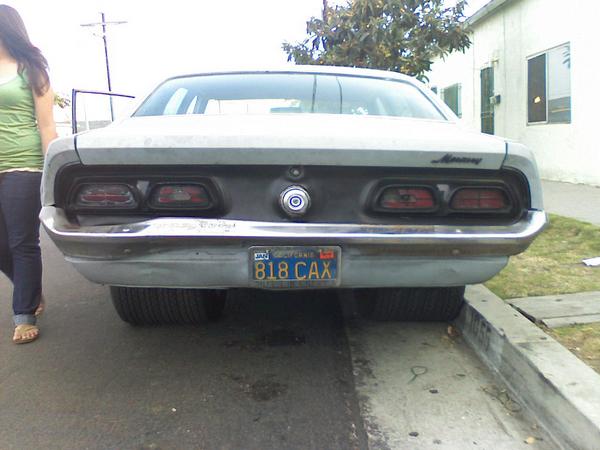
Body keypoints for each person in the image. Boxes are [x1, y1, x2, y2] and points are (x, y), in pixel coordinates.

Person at [0, 4, 57, 344]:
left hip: (23, 165)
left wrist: (52, 173)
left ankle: (23, 315)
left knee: (22, 242)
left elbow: (47, 126)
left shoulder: (31, 70)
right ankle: (31, 289)